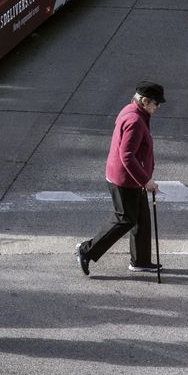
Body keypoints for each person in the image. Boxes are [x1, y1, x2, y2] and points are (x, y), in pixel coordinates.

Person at [75, 82, 164, 276]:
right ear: (145, 101)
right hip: (125, 180)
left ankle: (140, 260)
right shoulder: (135, 120)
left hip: (131, 178)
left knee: (142, 219)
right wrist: (145, 180)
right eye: (156, 103)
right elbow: (127, 156)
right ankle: (86, 250)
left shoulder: (132, 110)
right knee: (125, 219)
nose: (158, 107)